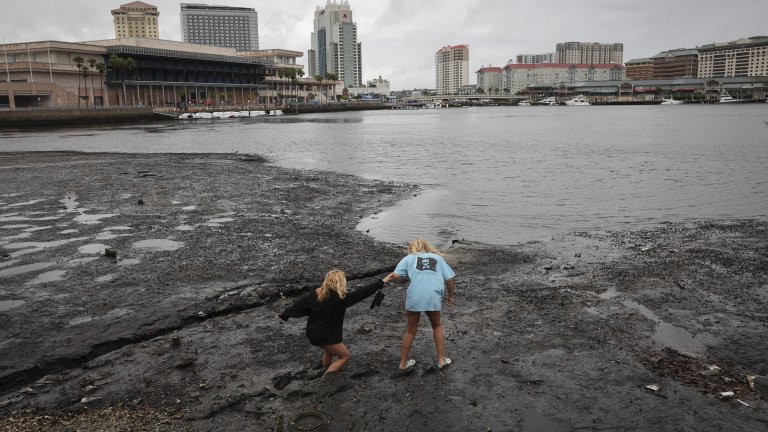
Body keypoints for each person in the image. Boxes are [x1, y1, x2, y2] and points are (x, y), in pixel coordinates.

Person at [278, 270, 395, 374]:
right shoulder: (341, 299)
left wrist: (285, 315)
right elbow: (363, 292)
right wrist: (383, 281)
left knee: (329, 351)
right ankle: (327, 378)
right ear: (341, 282)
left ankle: (325, 369)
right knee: (344, 356)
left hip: (313, 332)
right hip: (325, 335)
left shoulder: (317, 293)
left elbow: (299, 305)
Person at [387, 238, 456, 374]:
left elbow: (396, 275)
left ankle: (403, 364)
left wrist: (393, 277)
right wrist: (450, 296)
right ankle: (441, 360)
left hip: (415, 296)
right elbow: (449, 280)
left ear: (413, 248)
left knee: (410, 331)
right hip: (433, 296)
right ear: (426, 247)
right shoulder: (437, 258)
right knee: (436, 325)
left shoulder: (409, 258)